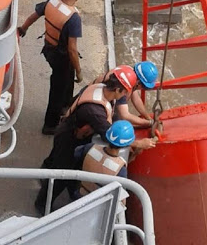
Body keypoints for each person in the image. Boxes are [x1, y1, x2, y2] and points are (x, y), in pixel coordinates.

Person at [34, 66, 156, 215]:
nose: (126, 95)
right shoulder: (95, 110)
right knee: (62, 174)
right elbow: (109, 134)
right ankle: (42, 204)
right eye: (124, 92)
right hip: (69, 138)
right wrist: (138, 143)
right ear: (117, 90)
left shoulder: (102, 89)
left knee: (66, 164)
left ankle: (55, 177)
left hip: (70, 129)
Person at [18, 0, 84, 135]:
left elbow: (34, 16)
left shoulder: (51, 3)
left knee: (66, 79)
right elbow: (72, 49)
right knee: (57, 88)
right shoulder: (73, 18)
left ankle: (65, 105)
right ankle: (50, 124)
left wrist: (23, 28)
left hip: (49, 49)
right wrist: (80, 71)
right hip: (61, 56)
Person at [74, 120, 146, 198]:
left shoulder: (90, 147)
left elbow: (77, 153)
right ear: (127, 144)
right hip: (98, 205)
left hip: (80, 196)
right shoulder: (120, 169)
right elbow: (120, 194)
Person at [92, 61, 159, 128]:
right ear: (138, 83)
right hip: (94, 107)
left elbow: (136, 99)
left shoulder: (129, 74)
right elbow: (125, 115)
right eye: (144, 87)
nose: (142, 89)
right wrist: (149, 123)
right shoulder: (123, 84)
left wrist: (148, 117)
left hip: (91, 93)